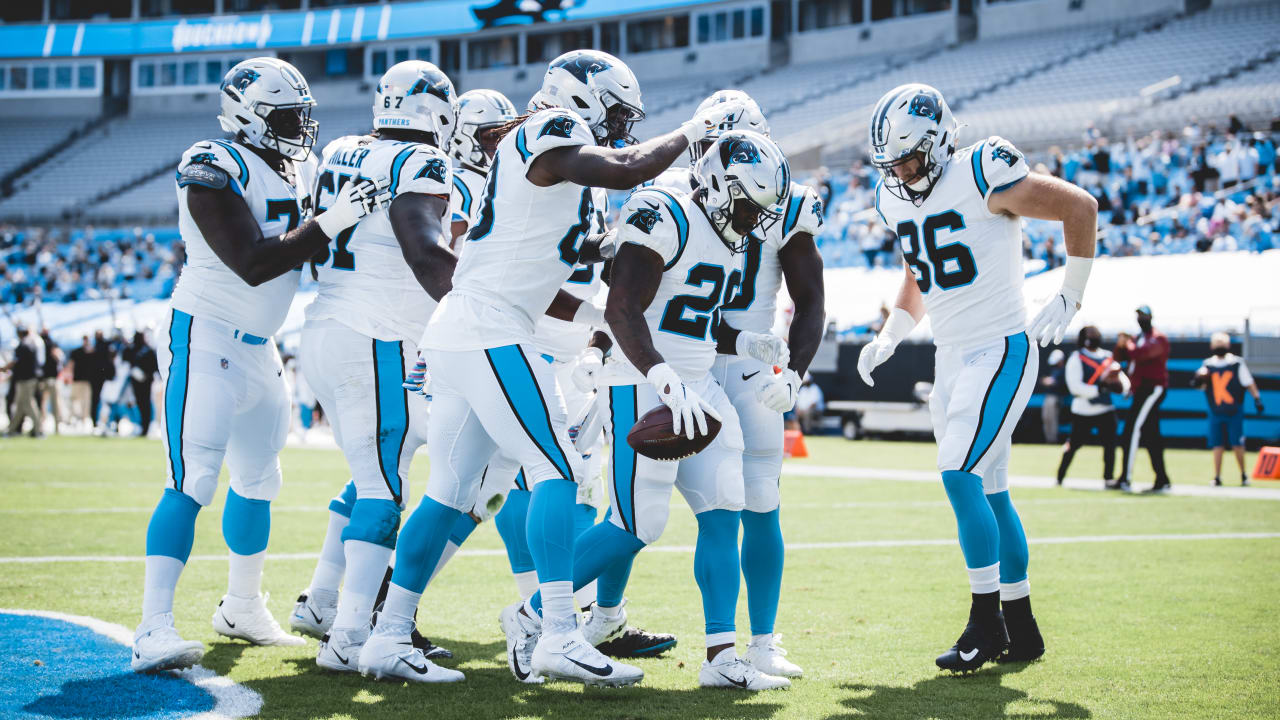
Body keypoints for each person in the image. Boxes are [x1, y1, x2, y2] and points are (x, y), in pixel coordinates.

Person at [361, 49, 741, 688]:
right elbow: (629, 169)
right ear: (583, 99)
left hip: (466, 326)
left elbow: (546, 252)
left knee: (451, 492)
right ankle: (559, 633)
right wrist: (697, 129)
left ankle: (387, 635)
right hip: (489, 326)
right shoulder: (548, 128)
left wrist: (601, 269)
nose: (620, 127)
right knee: (557, 469)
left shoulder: (548, 158)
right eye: (616, 113)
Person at [131, 57, 394, 673]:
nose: (298, 127)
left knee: (259, 481)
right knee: (193, 480)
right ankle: (152, 626)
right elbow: (251, 261)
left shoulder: (301, 164)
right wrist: (330, 221)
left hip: (262, 345)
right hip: (205, 335)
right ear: (246, 115)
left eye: (302, 114)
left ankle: (242, 606)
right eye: (284, 115)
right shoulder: (213, 164)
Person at [509, 129, 794, 690]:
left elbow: (695, 323)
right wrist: (661, 377)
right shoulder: (664, 211)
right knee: (638, 524)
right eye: (746, 204)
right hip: (640, 379)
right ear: (715, 182)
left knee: (725, 506)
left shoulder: (726, 232)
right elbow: (621, 309)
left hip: (696, 382)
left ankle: (720, 657)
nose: (753, 219)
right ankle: (531, 615)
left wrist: (747, 344)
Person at [858, 83, 1098, 672]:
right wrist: (892, 331)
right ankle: (1022, 626)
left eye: (910, 159)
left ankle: (984, 623)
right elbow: (923, 269)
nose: (902, 172)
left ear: (939, 142)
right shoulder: (896, 199)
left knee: (957, 473)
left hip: (1001, 347)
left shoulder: (982, 168)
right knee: (991, 491)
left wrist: (1070, 294)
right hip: (950, 353)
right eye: (892, 163)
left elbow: (1081, 207)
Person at [634, 89, 827, 678]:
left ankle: (761, 643)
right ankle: (597, 616)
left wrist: (795, 372)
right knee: (633, 509)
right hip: (683, 359)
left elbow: (811, 297)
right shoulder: (674, 200)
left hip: (749, 364)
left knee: (759, 505)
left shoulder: (782, 200)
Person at [288, 60, 462, 678]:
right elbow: (424, 251)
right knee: (386, 491)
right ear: (437, 110)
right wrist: (475, 306)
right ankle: (348, 635)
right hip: (375, 335)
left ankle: (328, 609)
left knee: (378, 477)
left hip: (329, 326)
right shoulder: (421, 162)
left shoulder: (339, 148)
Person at [1057, 326, 1128, 486]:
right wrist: (1098, 389)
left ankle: (1108, 477)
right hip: (1083, 410)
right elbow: (1074, 386)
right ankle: (1060, 476)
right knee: (1074, 444)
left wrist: (1123, 388)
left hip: (1105, 409)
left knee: (1110, 445)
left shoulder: (1108, 357)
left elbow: (1122, 379)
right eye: (1090, 335)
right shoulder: (1077, 357)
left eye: (1096, 334)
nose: (1094, 337)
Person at [1113, 305, 1172, 493]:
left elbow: (1142, 354)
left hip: (1152, 389)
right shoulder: (1138, 339)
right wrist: (1122, 344)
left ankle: (1125, 478)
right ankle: (1162, 479)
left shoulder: (1158, 338)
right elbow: (1121, 357)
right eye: (1138, 316)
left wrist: (1127, 342)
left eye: (1143, 316)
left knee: (1131, 431)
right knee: (1151, 435)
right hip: (1141, 390)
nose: (1140, 319)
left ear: (1151, 317)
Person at [1193, 332, 1265, 486]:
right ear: (1212, 346)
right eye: (1217, 344)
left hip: (1234, 411)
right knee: (1217, 444)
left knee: (1237, 444)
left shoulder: (1236, 363)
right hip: (1215, 411)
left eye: (1222, 343)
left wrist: (1257, 399)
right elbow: (1200, 386)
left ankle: (1243, 474)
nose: (1219, 347)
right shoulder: (1207, 365)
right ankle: (1217, 476)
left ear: (1227, 345)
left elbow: (1248, 383)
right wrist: (1199, 379)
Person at [4, 324, 43, 437]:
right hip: (29, 379)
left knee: (29, 404)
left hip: (26, 380)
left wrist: (4, 369)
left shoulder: (24, 345)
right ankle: (12, 430)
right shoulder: (31, 344)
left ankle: (38, 429)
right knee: (20, 406)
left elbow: (15, 362)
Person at [122, 331, 158, 436]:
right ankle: (143, 426)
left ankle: (145, 426)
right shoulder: (138, 349)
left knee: (144, 404)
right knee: (142, 404)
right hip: (138, 381)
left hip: (144, 381)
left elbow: (153, 366)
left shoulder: (146, 350)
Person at [38, 329, 62, 435]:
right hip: (48, 378)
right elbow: (58, 357)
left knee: (47, 403)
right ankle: (49, 425)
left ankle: (50, 425)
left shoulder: (43, 343)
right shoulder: (47, 344)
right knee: (51, 403)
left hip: (47, 378)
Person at [1039, 349, 1066, 443]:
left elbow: (1057, 383)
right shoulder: (1054, 370)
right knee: (1046, 418)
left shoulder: (1063, 371)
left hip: (1055, 398)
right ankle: (1048, 439)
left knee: (1053, 419)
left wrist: (1050, 382)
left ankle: (1052, 440)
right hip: (1048, 397)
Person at [68, 335, 94, 428]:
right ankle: (75, 418)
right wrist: (68, 376)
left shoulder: (92, 352)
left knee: (85, 401)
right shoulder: (76, 351)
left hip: (87, 381)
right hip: (77, 380)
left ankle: (84, 419)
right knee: (74, 400)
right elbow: (71, 364)